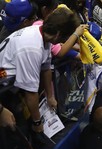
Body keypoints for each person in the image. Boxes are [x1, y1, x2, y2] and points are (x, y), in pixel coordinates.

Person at [0, 7, 83, 136]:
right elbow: (30, 92)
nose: (63, 42)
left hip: (9, 84)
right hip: (3, 83)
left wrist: (50, 96)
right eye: (64, 38)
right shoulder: (32, 48)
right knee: (14, 130)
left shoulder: (42, 33)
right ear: (58, 34)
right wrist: (37, 123)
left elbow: (46, 68)